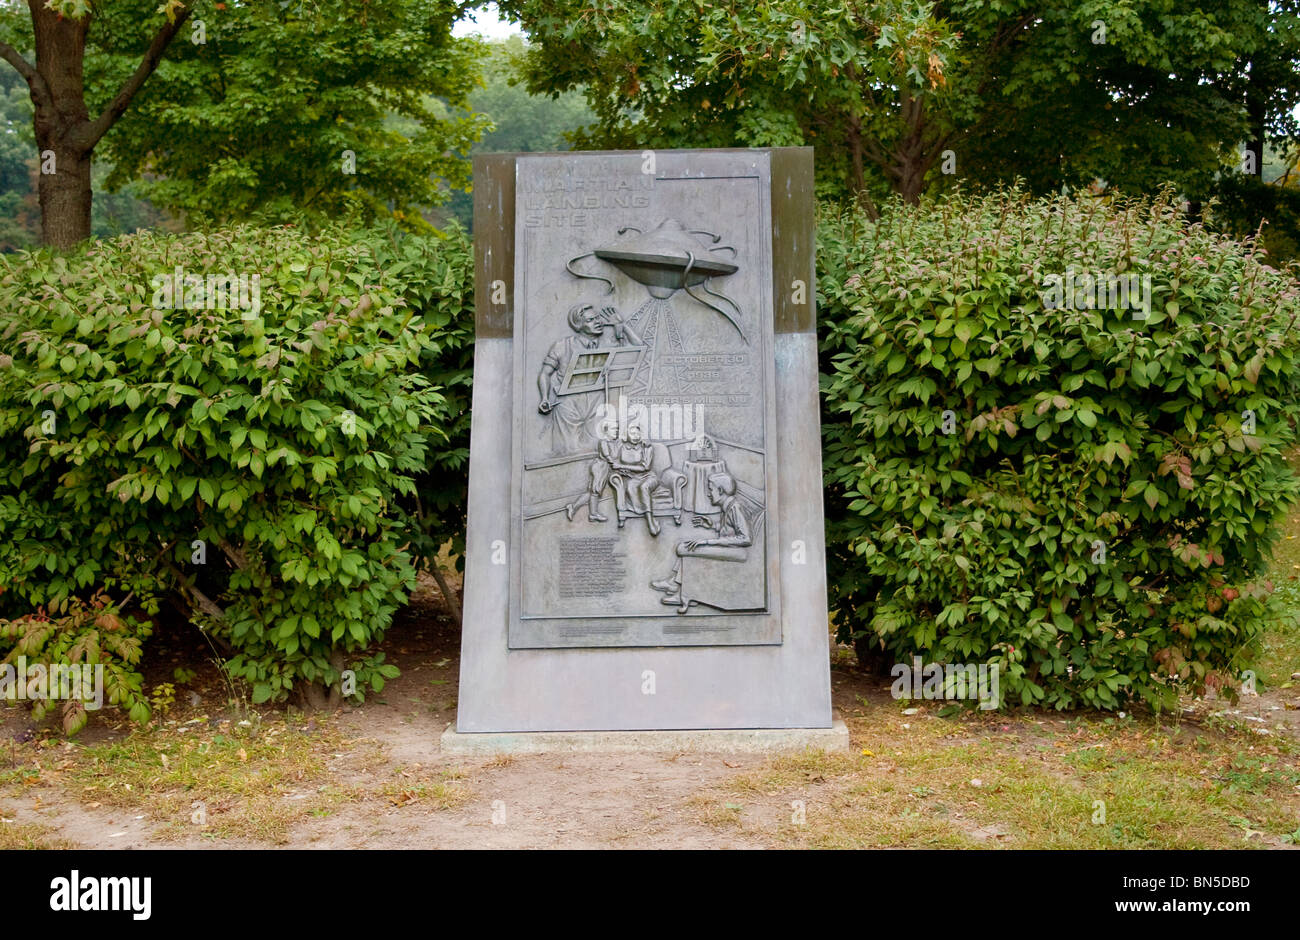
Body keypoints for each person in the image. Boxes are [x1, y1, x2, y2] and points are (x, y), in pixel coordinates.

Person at [537, 303, 641, 455]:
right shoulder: (562, 346)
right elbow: (545, 373)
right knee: (567, 451)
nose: (598, 322)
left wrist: (622, 325)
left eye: (598, 318)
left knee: (598, 451)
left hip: (596, 403)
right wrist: (544, 398)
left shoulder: (608, 343)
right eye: (591, 320)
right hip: (569, 406)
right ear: (578, 325)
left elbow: (638, 348)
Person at [650, 472, 752, 604]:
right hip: (730, 548)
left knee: (685, 548)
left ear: (720, 490)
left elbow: (745, 538)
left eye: (711, 489)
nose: (709, 494)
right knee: (689, 547)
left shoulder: (735, 508)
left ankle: (679, 589)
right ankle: (675, 584)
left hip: (737, 552)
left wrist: (708, 542)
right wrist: (712, 525)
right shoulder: (728, 507)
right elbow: (729, 530)